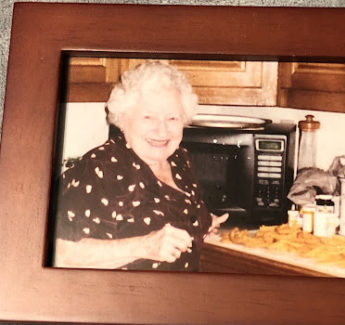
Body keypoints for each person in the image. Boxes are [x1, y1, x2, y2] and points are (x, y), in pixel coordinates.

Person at [53, 61, 228, 271]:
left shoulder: (179, 159)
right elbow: (57, 253)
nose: (162, 131)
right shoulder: (100, 168)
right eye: (148, 117)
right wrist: (144, 246)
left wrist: (201, 225)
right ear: (123, 120)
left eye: (172, 118)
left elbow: (172, 217)